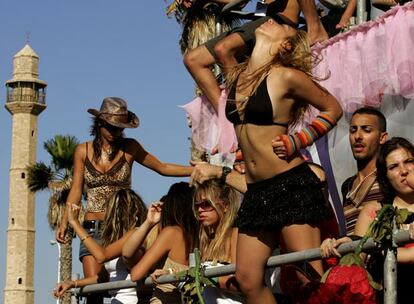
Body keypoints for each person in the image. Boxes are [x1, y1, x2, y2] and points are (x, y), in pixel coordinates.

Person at [192, 18, 342, 303]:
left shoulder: (286, 76)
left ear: (285, 45)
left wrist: (298, 140)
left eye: (283, 25)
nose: (272, 21)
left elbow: (333, 108)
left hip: (291, 185)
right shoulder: (237, 76)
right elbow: (222, 48)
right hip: (257, 192)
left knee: (306, 278)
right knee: (248, 281)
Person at [55, 97, 193, 303]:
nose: (115, 132)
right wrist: (66, 221)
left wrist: (195, 170)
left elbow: (162, 167)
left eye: (119, 128)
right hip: (93, 226)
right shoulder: (82, 150)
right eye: (111, 127)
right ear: (100, 123)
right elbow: (76, 189)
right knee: (95, 289)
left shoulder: (130, 147)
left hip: (124, 224)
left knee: (131, 280)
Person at [183, 0, 328, 112]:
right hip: (263, 22)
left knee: (224, 48)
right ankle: (227, 121)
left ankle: (240, 110)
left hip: (280, 21)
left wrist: (314, 23)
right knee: (193, 60)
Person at [321, 137, 414, 303]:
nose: (404, 170)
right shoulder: (375, 211)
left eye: (409, 161)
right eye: (393, 166)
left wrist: (378, 249)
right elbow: (359, 251)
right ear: (385, 177)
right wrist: (337, 246)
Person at [53, 189, 148, 304]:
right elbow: (101, 278)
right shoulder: (116, 240)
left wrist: (75, 223)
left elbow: (101, 256)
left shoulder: (135, 234)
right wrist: (72, 283)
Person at [122, 182, 199, 304]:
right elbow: (127, 253)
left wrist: (148, 222)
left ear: (170, 204)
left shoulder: (171, 233)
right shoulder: (201, 235)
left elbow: (135, 274)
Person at [341, 107, 388, 235]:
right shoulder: (347, 186)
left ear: (382, 137)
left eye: (366, 130)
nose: (357, 136)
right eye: (353, 130)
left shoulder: (389, 176)